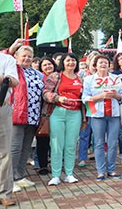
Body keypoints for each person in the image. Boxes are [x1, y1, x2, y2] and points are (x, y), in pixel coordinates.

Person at [43, 53, 86, 185]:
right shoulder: (55, 76)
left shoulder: (81, 78)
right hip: (58, 112)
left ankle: (69, 173)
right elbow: (45, 93)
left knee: (71, 144)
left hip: (75, 114)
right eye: (68, 60)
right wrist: (57, 98)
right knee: (56, 144)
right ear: (63, 62)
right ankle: (55, 175)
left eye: (73, 60)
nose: (71, 63)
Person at [82, 54, 122, 181]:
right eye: (100, 62)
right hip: (97, 114)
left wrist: (116, 95)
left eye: (106, 62)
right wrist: (99, 96)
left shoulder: (115, 78)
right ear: (95, 66)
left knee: (112, 143)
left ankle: (111, 170)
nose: (103, 65)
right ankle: (100, 171)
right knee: (99, 143)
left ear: (109, 65)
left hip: (114, 114)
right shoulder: (89, 79)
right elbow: (85, 98)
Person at [11, 45, 45, 192]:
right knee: (14, 148)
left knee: (26, 147)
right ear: (16, 57)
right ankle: (9, 179)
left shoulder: (38, 74)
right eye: (23, 56)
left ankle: (19, 175)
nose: (26, 58)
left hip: (33, 115)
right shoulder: (13, 70)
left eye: (29, 56)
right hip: (16, 115)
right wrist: (13, 47)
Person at [0, 52, 20, 207]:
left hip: (2, 107)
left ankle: (4, 192)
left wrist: (3, 78)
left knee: (4, 152)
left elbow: (14, 81)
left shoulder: (7, 59)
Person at [35, 57, 57, 175]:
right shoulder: (39, 79)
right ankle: (43, 165)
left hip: (58, 111)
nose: (48, 66)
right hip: (42, 113)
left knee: (56, 141)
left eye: (50, 64)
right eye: (45, 65)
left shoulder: (59, 77)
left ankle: (55, 164)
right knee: (42, 139)